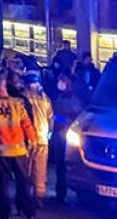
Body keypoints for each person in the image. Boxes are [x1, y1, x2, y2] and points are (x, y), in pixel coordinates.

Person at [0, 71, 38, 219]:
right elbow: (27, 124)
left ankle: (4, 214)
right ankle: (29, 213)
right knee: (23, 182)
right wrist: (33, 140)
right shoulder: (17, 104)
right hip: (18, 150)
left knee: (2, 184)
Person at [50, 71, 85, 205]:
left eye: (62, 80)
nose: (60, 83)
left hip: (66, 138)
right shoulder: (59, 97)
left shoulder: (73, 100)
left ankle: (62, 196)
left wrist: (62, 121)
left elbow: (76, 119)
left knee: (63, 167)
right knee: (59, 167)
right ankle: (59, 195)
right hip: (58, 136)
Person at [22, 71, 54, 205]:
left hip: (28, 139)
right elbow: (51, 118)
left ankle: (26, 195)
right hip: (42, 138)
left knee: (26, 168)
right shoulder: (45, 98)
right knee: (40, 169)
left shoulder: (24, 97)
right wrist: (49, 134)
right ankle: (39, 196)